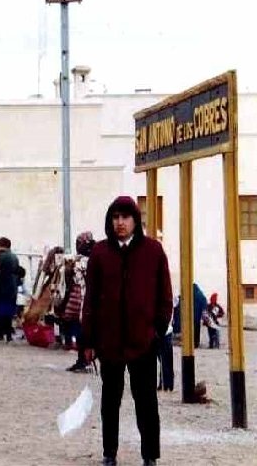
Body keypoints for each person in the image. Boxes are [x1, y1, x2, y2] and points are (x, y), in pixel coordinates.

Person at [82, 196, 173, 466]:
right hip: (109, 342)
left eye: (125, 217)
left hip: (142, 341)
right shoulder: (100, 253)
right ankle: (109, 453)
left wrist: (156, 329)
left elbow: (165, 295)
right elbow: (91, 299)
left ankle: (150, 456)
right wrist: (88, 340)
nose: (120, 223)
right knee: (110, 401)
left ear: (135, 220)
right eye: (115, 217)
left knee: (146, 402)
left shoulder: (153, 251)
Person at [65, 231, 95, 372]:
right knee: (80, 331)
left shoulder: (82, 262)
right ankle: (82, 360)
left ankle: (85, 360)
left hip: (82, 300)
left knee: (82, 332)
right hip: (82, 300)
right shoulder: (89, 260)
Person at [0, 237, 20, 342]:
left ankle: (1, 334)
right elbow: (18, 271)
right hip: (12, 287)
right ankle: (9, 335)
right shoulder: (14, 257)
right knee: (9, 311)